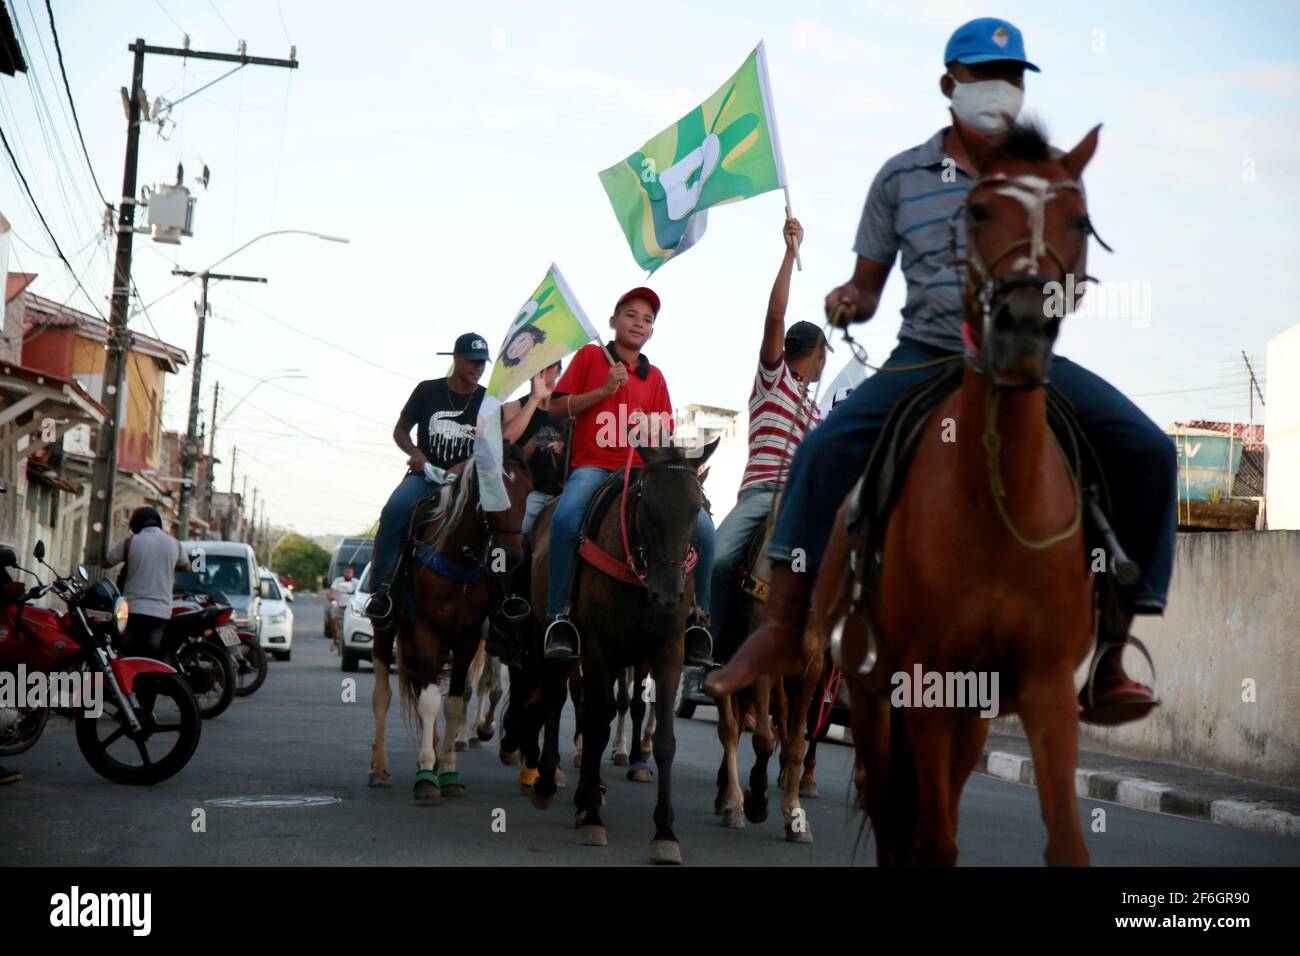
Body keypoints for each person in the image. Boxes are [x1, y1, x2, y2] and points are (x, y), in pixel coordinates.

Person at [707, 17, 1175, 728]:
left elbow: (1071, 275)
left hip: (1023, 359)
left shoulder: (1046, 174)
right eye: (986, 78)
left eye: (1013, 79)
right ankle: (781, 623)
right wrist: (848, 300)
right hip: (926, 355)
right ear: (948, 85)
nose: (1001, 91)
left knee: (1151, 450)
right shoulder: (900, 176)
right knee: (822, 450)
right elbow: (868, 285)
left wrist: (1048, 296)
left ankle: (1112, 650)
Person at [542, 288, 716, 664]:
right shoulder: (590, 357)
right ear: (613, 321)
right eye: (631, 315)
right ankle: (558, 616)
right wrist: (604, 389)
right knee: (567, 517)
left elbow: (664, 438)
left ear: (652, 332)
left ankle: (699, 620)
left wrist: (684, 466)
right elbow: (555, 407)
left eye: (648, 320)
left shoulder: (655, 378)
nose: (639, 324)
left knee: (703, 529)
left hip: (642, 471)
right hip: (595, 466)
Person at [708, 217, 827, 662]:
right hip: (760, 496)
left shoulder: (816, 412)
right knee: (717, 559)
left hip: (800, 504)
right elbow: (775, 316)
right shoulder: (773, 379)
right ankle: (713, 643)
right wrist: (790, 253)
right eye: (820, 358)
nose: (820, 368)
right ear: (814, 355)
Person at [365, 332, 489, 633]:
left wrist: (465, 466)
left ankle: (503, 599)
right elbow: (401, 430)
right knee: (394, 510)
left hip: (467, 483)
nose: (477, 368)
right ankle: (382, 591)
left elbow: (489, 446)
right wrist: (414, 452)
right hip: (425, 478)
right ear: (456, 358)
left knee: (503, 523)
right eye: (472, 362)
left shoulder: (488, 400)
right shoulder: (427, 391)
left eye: (482, 363)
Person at [101, 505, 190, 659]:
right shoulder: (174, 544)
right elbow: (186, 566)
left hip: (133, 610)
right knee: (152, 657)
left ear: (136, 524)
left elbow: (106, 562)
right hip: (161, 612)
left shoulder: (130, 543)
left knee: (127, 656)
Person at [501, 360, 566, 537]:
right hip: (526, 493)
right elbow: (506, 441)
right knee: (516, 536)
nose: (541, 370)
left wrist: (564, 447)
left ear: (558, 370)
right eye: (537, 363)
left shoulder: (567, 406)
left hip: (562, 491)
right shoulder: (513, 407)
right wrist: (535, 398)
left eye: (548, 365)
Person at [327, 565, 358, 653]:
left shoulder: (356, 582)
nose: (348, 574)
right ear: (343, 573)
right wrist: (331, 597)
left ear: (353, 574)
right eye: (346, 572)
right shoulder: (338, 580)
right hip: (338, 605)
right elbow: (331, 591)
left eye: (350, 573)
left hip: (350, 607)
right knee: (334, 621)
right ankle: (334, 641)